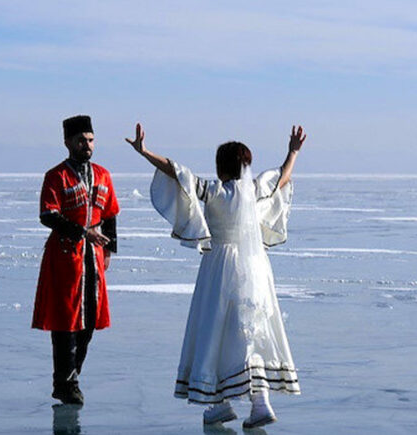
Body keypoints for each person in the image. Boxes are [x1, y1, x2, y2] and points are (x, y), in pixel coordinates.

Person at [126, 123, 306, 428]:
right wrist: (293, 152)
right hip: (255, 265)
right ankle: (257, 401)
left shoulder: (214, 191)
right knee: (252, 329)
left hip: (219, 266)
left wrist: (144, 152)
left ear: (221, 166)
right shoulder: (255, 189)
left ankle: (221, 402)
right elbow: (282, 177)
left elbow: (175, 172)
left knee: (216, 330)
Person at [32, 115, 120, 405]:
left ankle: (71, 375)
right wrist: (83, 232)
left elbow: (109, 215)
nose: (87, 145)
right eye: (81, 140)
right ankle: (65, 382)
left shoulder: (103, 175)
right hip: (65, 257)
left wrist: (108, 250)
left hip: (93, 260)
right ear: (67, 142)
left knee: (90, 319)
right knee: (66, 319)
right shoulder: (56, 176)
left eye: (91, 140)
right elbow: (48, 215)